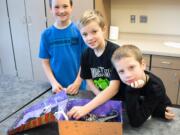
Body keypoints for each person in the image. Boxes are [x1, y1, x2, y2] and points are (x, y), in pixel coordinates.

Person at [67, 10, 122, 119]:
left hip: (119, 101)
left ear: (103, 29)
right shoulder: (85, 54)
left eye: (94, 32)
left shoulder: (115, 52)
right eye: (85, 34)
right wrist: (99, 96)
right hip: (100, 99)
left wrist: (86, 108)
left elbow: (114, 88)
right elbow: (88, 80)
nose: (89, 38)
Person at [111, 44, 175, 127]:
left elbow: (135, 122)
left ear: (143, 65)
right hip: (142, 109)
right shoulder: (126, 80)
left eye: (131, 67)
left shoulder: (155, 87)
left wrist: (132, 90)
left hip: (160, 112)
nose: (127, 75)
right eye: (121, 71)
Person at [39, 0, 87, 94]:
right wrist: (53, 83)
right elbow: (45, 62)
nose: (61, 11)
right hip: (57, 88)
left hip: (78, 87)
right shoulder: (46, 34)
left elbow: (85, 60)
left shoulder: (80, 31)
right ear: (51, 9)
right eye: (56, 7)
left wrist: (77, 83)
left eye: (65, 6)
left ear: (71, 7)